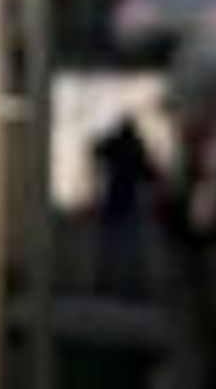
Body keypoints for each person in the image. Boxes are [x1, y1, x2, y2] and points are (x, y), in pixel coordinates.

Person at [90, 111, 158, 298]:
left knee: (113, 248)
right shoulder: (133, 147)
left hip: (118, 201)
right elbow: (149, 174)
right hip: (124, 202)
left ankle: (108, 284)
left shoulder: (121, 145)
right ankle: (125, 286)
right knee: (126, 249)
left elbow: (97, 150)